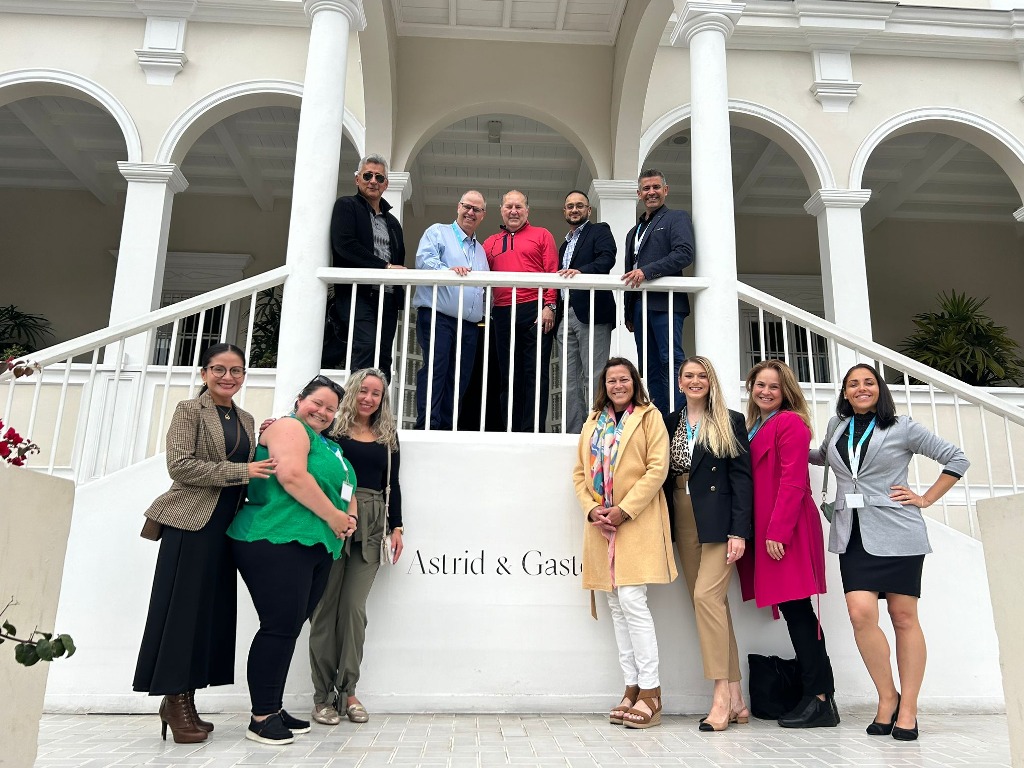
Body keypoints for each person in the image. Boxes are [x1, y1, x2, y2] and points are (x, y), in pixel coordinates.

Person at [810, 363, 969, 742]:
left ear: (879, 389)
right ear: (845, 393)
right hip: (853, 533)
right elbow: (823, 456)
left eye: (868, 382)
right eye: (853, 384)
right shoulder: (837, 427)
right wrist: (778, 442)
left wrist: (925, 498)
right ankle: (887, 697)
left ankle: (908, 708)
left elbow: (957, 459)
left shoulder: (903, 427)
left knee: (903, 617)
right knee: (860, 614)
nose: (861, 388)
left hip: (898, 531)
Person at [134, 344, 276, 744]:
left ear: (244, 376)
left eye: (236, 370)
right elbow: (180, 466)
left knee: (207, 615)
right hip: (191, 524)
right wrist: (243, 470)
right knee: (182, 613)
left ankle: (187, 699)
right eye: (219, 369)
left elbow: (251, 466)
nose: (228, 377)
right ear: (204, 373)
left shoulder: (245, 419)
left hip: (225, 528)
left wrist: (266, 440)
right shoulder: (189, 410)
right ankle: (174, 699)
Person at [227, 375, 357, 745]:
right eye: (317, 403)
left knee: (288, 628)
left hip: (316, 544)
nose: (323, 412)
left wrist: (349, 517)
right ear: (300, 399)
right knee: (279, 627)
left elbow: (347, 487)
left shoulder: (329, 446)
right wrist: (334, 517)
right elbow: (292, 476)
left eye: (331, 409)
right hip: (276, 535)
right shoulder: (288, 427)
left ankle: (273, 706)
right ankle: (262, 717)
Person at [573, 357, 676, 730]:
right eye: (611, 380)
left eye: (624, 379)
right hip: (601, 525)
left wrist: (625, 510)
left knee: (632, 601)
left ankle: (651, 691)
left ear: (634, 382)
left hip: (636, 520)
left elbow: (657, 469)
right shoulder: (592, 422)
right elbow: (580, 474)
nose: (618, 385)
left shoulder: (650, 418)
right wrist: (592, 509)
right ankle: (632, 686)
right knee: (616, 606)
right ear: (605, 385)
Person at [737, 360, 838, 728]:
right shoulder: (755, 426)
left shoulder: (790, 423)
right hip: (770, 528)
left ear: (786, 392)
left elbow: (794, 480)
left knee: (799, 612)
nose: (765, 391)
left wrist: (778, 532)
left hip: (786, 530)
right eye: (760, 385)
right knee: (797, 612)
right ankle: (819, 696)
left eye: (774, 387)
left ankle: (820, 699)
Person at [309, 368, 404, 726]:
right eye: (363, 390)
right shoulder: (331, 430)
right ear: (352, 391)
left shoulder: (388, 435)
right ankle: (322, 697)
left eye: (376, 393)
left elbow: (393, 483)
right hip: (331, 520)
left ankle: (348, 691)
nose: (368, 398)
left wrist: (397, 526)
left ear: (382, 399)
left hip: (373, 524)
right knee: (323, 609)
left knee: (353, 610)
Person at [663, 356, 752, 732]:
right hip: (682, 516)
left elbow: (742, 479)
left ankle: (720, 697)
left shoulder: (730, 420)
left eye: (702, 375)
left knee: (706, 598)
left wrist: (739, 531)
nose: (695, 380)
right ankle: (737, 698)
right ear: (680, 382)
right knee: (712, 605)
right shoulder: (670, 421)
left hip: (719, 520)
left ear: (710, 381)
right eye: (689, 376)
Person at [323, 154, 407, 379]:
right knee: (365, 347)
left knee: (383, 358)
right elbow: (345, 245)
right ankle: (356, 402)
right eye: (368, 175)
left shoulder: (392, 223)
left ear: (386, 184)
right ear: (357, 179)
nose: (373, 181)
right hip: (358, 293)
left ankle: (379, 403)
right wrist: (385, 267)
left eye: (379, 177)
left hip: (387, 297)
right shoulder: (347, 206)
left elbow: (399, 258)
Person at [483, 190, 559, 432]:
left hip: (535, 309)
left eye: (518, 207)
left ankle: (532, 430)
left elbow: (552, 271)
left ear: (527, 210)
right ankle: (511, 430)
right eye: (509, 207)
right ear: (501, 211)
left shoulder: (542, 235)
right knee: (508, 373)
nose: (513, 211)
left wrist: (549, 305)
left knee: (534, 373)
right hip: (503, 311)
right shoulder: (490, 242)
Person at [413, 191, 489, 430]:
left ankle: (447, 427)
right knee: (436, 369)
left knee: (460, 377)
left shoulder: (481, 251)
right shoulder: (438, 232)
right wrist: (448, 271)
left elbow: (484, 287)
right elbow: (424, 262)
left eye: (476, 210)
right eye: (467, 207)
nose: (470, 212)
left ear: (483, 215)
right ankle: (428, 425)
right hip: (439, 316)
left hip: (469, 325)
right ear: (458, 207)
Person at [622, 169, 695, 414]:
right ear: (639, 193)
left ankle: (679, 416)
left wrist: (647, 271)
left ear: (666, 190)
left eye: (656, 187)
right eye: (646, 188)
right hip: (639, 307)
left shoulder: (676, 217)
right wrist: (628, 312)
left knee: (670, 360)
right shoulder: (633, 232)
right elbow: (629, 271)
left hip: (666, 302)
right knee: (648, 365)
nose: (651, 192)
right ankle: (661, 417)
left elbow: (684, 253)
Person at [556, 190, 617, 434]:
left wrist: (581, 272)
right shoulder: (564, 245)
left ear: (588, 210)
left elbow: (607, 259)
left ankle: (597, 431)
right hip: (566, 313)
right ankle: (574, 432)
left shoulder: (599, 231)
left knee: (594, 374)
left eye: (579, 205)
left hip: (592, 310)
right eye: (570, 206)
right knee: (568, 378)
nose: (574, 210)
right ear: (564, 211)